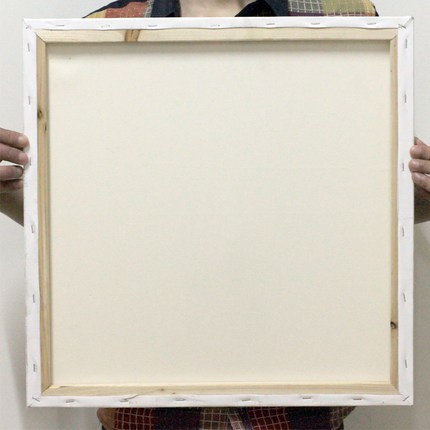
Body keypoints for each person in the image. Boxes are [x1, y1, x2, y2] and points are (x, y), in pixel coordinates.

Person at [1, 0, 429, 429]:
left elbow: (359, 209)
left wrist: (421, 191)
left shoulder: (347, 21)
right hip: (149, 407)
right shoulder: (103, 32)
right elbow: (85, 219)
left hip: (298, 408)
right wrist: (12, 195)